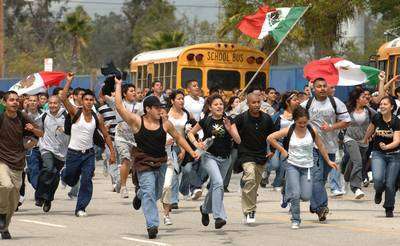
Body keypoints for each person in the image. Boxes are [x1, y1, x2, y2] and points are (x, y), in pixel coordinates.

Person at [114, 78, 198, 239]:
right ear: (147, 109)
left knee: (157, 193)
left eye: (161, 107)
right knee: (149, 194)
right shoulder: (137, 121)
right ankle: (152, 225)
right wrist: (118, 85)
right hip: (143, 163)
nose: (160, 110)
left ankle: (139, 195)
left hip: (161, 163)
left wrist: (190, 151)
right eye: (157, 107)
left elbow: (179, 138)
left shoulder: (165, 123)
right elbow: (119, 106)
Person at [268, 107, 338, 229]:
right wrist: (283, 151)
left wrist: (328, 160)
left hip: (308, 167)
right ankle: (296, 219)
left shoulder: (312, 130)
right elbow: (270, 138)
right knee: (296, 194)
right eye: (299, 122)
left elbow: (320, 145)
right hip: (292, 165)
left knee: (305, 196)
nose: (302, 125)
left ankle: (287, 192)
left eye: (305, 122)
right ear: (294, 121)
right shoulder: (290, 129)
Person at [60, 73, 116, 217]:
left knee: (86, 179)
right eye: (86, 99)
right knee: (71, 179)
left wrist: (112, 152)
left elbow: (105, 135)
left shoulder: (97, 117)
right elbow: (63, 98)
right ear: (82, 100)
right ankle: (64, 174)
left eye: (91, 100)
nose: (89, 102)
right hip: (73, 153)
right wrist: (69, 81)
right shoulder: (75, 112)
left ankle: (81, 208)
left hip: (88, 154)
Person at [300, 78, 351, 222]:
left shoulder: (336, 103)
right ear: (313, 88)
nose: (322, 88)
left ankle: (314, 203)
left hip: (331, 147)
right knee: (316, 177)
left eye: (324, 86)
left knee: (321, 179)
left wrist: (331, 127)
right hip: (312, 146)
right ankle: (322, 207)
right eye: (319, 86)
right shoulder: (306, 104)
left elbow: (347, 121)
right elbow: (297, 123)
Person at [188, 94, 241, 230]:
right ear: (210, 107)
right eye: (216, 104)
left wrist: (229, 128)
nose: (219, 106)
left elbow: (238, 140)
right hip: (209, 156)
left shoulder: (229, 120)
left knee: (216, 187)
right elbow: (190, 133)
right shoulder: (206, 121)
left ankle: (205, 208)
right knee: (217, 183)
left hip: (225, 159)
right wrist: (196, 143)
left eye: (221, 104)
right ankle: (219, 216)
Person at [0, 91, 43, 240]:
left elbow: (40, 134)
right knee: (6, 186)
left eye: (17, 100)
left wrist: (32, 131)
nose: (15, 102)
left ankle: (4, 228)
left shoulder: (22, 117)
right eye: (11, 100)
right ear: (4, 103)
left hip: (18, 163)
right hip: (2, 161)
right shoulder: (1, 117)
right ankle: (1, 213)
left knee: (13, 202)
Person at [234, 93, 275, 224]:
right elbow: (232, 130)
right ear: (248, 104)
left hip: (261, 156)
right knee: (250, 179)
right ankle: (249, 211)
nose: (257, 105)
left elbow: (273, 136)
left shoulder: (267, 119)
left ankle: (249, 203)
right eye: (254, 103)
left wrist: (272, 150)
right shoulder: (241, 118)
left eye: (259, 102)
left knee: (253, 185)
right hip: (246, 154)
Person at [363, 96, 400, 217]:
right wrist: (365, 139)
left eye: (385, 104)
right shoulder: (377, 117)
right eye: (381, 104)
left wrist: (387, 147)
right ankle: (379, 191)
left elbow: (397, 141)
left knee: (390, 183)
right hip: (378, 154)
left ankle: (389, 208)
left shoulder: (396, 121)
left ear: (392, 107)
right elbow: (371, 129)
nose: (382, 106)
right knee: (378, 180)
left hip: (394, 155)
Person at [35, 95, 69, 212]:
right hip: (46, 147)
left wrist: (65, 130)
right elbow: (39, 131)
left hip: (61, 151)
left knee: (55, 177)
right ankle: (39, 196)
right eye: (50, 103)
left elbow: (73, 130)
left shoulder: (66, 116)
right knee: (49, 169)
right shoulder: (44, 115)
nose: (52, 105)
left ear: (60, 104)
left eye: (55, 103)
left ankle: (48, 199)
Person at [261, 91, 300, 193]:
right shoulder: (278, 114)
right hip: (276, 142)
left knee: (284, 165)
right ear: (288, 102)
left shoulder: (298, 114)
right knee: (274, 164)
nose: (297, 101)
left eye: (298, 99)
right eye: (295, 99)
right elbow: (269, 129)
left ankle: (277, 183)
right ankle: (266, 170)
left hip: (290, 144)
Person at [343, 89, 376, 199]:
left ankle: (346, 179)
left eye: (367, 97)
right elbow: (340, 120)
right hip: (350, 138)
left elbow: (378, 121)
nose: (366, 99)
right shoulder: (348, 110)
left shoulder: (369, 111)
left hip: (364, 141)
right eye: (363, 97)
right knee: (358, 162)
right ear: (357, 99)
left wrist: (373, 133)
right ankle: (356, 187)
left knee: (353, 161)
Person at [224, 96, 241, 192]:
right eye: (236, 102)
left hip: (235, 143)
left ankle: (225, 185)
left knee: (230, 164)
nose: (238, 104)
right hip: (226, 143)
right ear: (231, 104)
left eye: (239, 102)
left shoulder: (242, 115)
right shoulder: (227, 115)